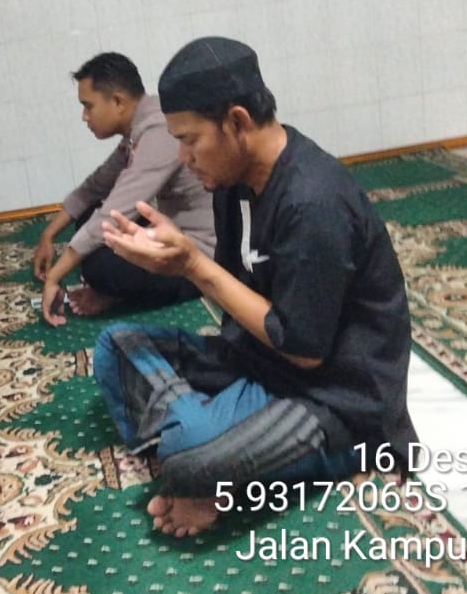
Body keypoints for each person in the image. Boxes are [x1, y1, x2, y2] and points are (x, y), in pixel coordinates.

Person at [94, 37, 418, 537]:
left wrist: (193, 266)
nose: (183, 156)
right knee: (116, 346)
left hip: (333, 397)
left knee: (189, 452)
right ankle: (206, 448)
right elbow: (238, 298)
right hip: (256, 361)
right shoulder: (232, 183)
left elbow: (304, 351)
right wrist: (172, 265)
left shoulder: (314, 202)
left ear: (238, 122)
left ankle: (203, 455)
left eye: (190, 139)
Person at [32, 52, 215, 327]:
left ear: (118, 102)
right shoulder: (142, 125)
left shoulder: (159, 131)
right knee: (90, 218)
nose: (84, 117)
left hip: (199, 253)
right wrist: (48, 235)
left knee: (99, 265)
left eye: (88, 106)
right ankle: (117, 290)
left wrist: (55, 277)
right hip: (170, 231)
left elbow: (114, 211)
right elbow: (94, 188)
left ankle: (117, 295)